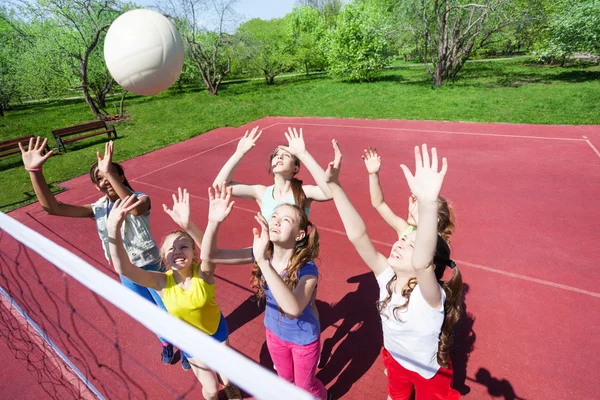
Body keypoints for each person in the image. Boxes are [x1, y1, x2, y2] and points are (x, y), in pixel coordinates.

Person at [323, 141, 462, 400]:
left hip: (428, 372)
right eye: (404, 239)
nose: (400, 241)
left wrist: (429, 203)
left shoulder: (429, 295)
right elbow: (358, 235)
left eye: (412, 243)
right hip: (395, 360)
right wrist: (335, 186)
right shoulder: (387, 277)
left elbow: (421, 263)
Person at [20, 137, 175, 365]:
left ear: (120, 176)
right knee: (147, 312)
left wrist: (108, 170)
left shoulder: (141, 198)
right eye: (99, 179)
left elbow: (134, 209)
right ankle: (166, 341)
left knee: (170, 312)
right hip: (127, 273)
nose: (105, 180)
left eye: (109, 174)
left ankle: (189, 350)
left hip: (152, 267)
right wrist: (34, 170)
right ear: (95, 186)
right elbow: (52, 208)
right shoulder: (97, 209)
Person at [105, 189, 242, 400]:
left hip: (216, 329)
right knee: (212, 389)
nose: (177, 251)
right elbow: (124, 269)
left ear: (194, 254)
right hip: (190, 341)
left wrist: (199, 224)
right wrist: (113, 230)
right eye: (171, 249)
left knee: (227, 372)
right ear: (163, 258)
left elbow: (210, 252)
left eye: (183, 246)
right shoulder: (161, 281)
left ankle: (229, 383)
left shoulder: (203, 273)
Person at [200, 183, 331, 400]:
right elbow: (210, 255)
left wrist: (263, 262)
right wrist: (213, 222)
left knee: (305, 388)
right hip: (273, 335)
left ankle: (324, 396)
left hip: (303, 341)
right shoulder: (262, 253)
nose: (277, 221)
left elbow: (293, 309)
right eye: (275, 216)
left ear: (299, 235)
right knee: (285, 382)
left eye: (286, 220)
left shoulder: (307, 268)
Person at [212, 126, 332, 220]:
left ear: (295, 168)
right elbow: (220, 186)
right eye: (276, 155)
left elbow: (330, 192)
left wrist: (303, 154)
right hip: (270, 251)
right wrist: (239, 153)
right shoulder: (262, 193)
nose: (280, 157)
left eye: (286, 155)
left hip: (299, 252)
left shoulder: (303, 192)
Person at [362, 146, 455, 243]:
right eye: (414, 203)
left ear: (435, 219)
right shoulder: (405, 231)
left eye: (418, 209)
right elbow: (379, 204)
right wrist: (373, 174)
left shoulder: (437, 246)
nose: (411, 209)